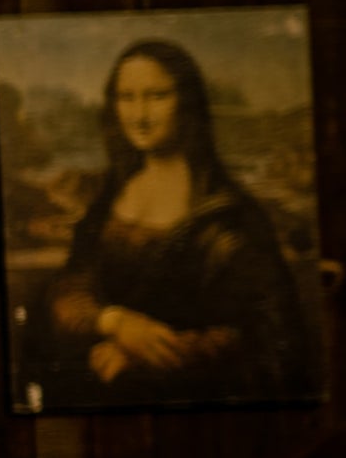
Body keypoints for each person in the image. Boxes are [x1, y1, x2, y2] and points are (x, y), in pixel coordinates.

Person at [22, 36, 313, 406]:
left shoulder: (232, 217)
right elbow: (72, 282)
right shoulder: (111, 195)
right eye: (126, 97)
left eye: (157, 96)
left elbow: (271, 337)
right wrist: (114, 322)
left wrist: (157, 353)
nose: (139, 115)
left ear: (188, 103)